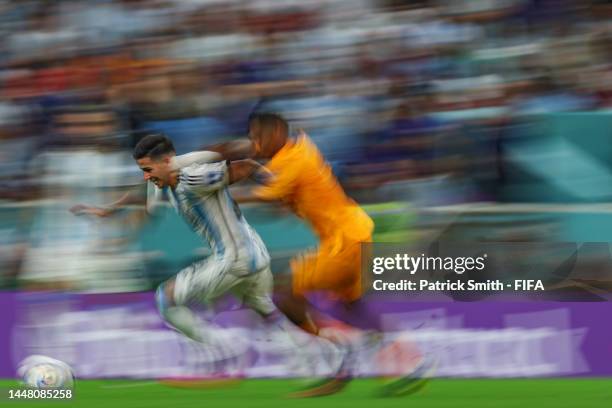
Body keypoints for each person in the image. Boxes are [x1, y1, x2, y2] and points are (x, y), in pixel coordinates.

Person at [71, 133, 345, 393]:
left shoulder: (193, 177)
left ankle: (226, 351)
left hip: (235, 260)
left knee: (166, 299)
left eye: (148, 168)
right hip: (253, 255)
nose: (146, 176)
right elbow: (141, 189)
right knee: (267, 313)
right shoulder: (163, 178)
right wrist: (108, 210)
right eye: (143, 169)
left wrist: (280, 190)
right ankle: (327, 356)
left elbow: (246, 166)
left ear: (167, 161)